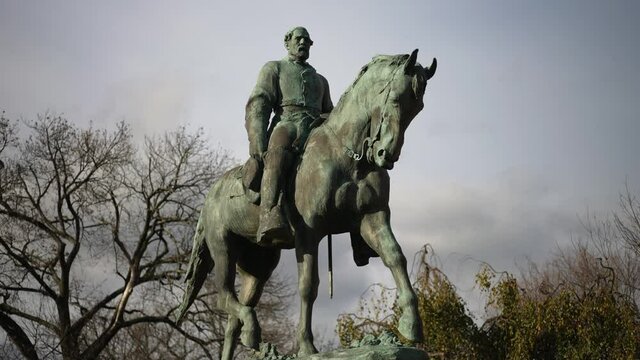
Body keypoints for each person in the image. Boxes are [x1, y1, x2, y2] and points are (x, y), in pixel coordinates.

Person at [245, 26, 333, 245]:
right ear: (288, 42)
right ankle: (269, 214)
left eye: (307, 40)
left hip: (315, 128)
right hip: (286, 123)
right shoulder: (274, 68)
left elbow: (329, 112)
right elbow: (259, 103)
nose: (303, 43)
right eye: (298, 39)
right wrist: (258, 141)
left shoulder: (320, 80)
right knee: (277, 156)